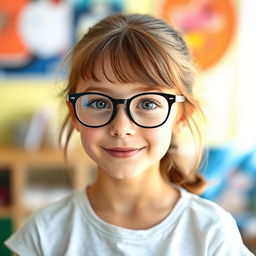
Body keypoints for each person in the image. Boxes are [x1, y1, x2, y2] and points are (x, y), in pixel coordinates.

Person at [5, 13, 254, 256]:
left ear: (182, 116)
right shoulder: (43, 234)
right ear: (74, 114)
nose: (121, 127)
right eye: (99, 103)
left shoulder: (211, 232)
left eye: (147, 104)